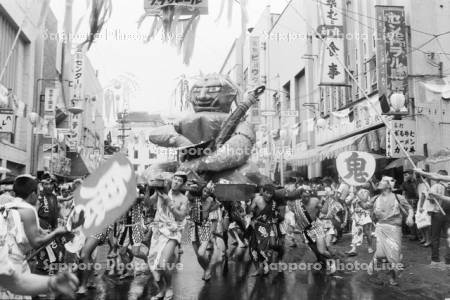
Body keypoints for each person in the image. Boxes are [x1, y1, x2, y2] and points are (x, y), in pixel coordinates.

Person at [0, 175, 71, 299]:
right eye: (38, 193)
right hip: (11, 266)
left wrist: (50, 232)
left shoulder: (7, 207)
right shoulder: (28, 210)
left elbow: (37, 232)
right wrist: (55, 233)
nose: (39, 196)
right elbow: (36, 242)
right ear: (33, 194)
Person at [147, 171, 190, 300]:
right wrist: (149, 189)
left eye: (179, 181)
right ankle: (161, 290)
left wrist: (169, 202)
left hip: (172, 232)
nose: (176, 182)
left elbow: (181, 216)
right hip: (158, 230)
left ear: (183, 184)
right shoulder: (162, 191)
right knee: (152, 262)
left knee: (163, 264)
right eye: (175, 179)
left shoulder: (184, 199)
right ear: (172, 180)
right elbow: (148, 203)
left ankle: (169, 287)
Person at [368, 179, 414, 286]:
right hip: (381, 228)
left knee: (394, 255)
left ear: (388, 186)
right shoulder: (375, 198)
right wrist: (360, 200)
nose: (379, 182)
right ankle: (377, 276)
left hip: (394, 230)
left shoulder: (398, 197)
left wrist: (410, 216)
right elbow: (366, 206)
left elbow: (410, 208)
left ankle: (392, 278)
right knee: (380, 255)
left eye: (383, 181)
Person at [416, 169, 450, 268]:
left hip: (437, 214)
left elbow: (431, 200)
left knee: (435, 237)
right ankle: (448, 260)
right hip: (449, 214)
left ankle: (435, 259)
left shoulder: (436, 186)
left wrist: (430, 196)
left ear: (439, 177)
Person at [346, 186, 374, 256]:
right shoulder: (352, 191)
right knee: (355, 231)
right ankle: (354, 249)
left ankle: (370, 247)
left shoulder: (365, 191)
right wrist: (350, 198)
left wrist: (356, 194)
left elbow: (364, 200)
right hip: (356, 215)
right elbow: (347, 202)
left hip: (364, 214)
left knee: (367, 232)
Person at [401, 170, 419, 241]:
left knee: (418, 218)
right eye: (405, 175)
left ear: (411, 174)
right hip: (409, 201)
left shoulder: (416, 182)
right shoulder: (404, 183)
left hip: (417, 201)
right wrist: (403, 202)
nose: (405, 176)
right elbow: (403, 193)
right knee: (410, 217)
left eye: (407, 174)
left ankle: (419, 235)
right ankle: (413, 234)